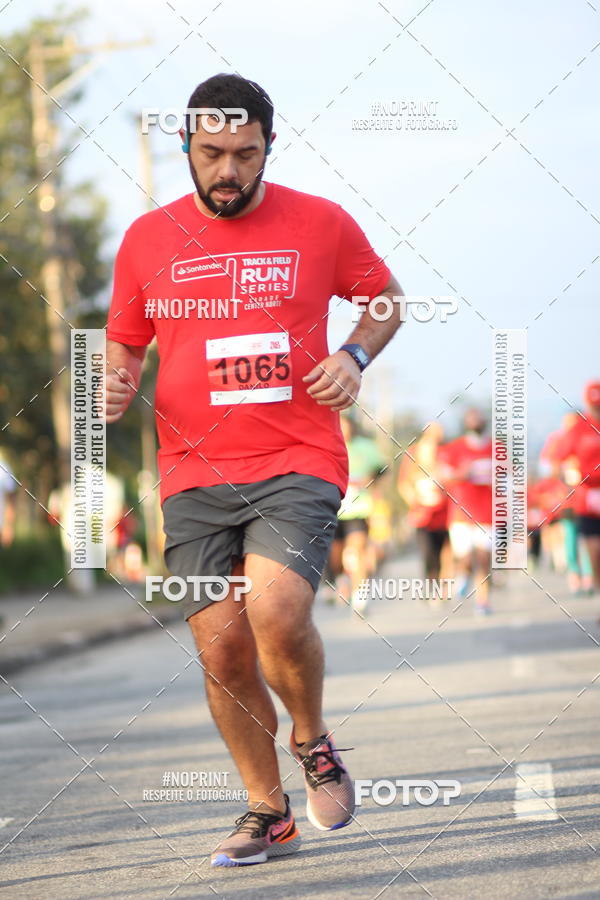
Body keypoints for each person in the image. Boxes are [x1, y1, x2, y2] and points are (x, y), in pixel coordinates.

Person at [105, 73, 403, 867]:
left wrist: (353, 353)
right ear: (186, 147)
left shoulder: (319, 222)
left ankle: (311, 736)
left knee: (274, 612)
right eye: (211, 154)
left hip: (296, 455)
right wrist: (116, 376)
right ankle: (266, 811)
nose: (228, 170)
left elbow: (385, 299)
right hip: (192, 471)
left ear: (271, 145)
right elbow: (126, 341)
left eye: (244, 153)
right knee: (224, 651)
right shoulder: (145, 239)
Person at [327, 416, 386, 614]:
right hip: (331, 509)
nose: (345, 431)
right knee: (335, 555)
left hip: (358, 509)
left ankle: (360, 596)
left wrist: (370, 478)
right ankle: (341, 578)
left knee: (358, 548)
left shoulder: (366, 447)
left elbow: (382, 468)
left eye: (347, 426)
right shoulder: (326, 446)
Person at [438, 409, 493, 614]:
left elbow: (510, 477)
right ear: (466, 423)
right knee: (466, 558)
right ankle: (464, 575)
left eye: (479, 418)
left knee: (484, 557)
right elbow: (443, 477)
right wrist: (463, 474)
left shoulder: (496, 447)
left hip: (487, 514)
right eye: (472, 419)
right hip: (461, 513)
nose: (476, 422)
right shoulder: (455, 448)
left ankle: (483, 601)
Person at [553, 382, 600, 612]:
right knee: (591, 547)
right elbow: (558, 459)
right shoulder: (579, 430)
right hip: (586, 497)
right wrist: (568, 476)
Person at [397, 422, 450, 590]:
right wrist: (415, 501)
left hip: (445, 512)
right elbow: (403, 484)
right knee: (428, 552)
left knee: (447, 550)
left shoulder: (445, 452)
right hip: (422, 514)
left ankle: (444, 584)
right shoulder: (413, 453)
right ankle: (431, 583)